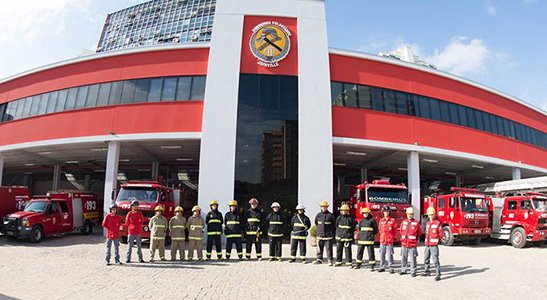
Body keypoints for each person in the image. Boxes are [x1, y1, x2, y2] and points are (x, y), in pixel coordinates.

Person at [399, 207, 422, 277]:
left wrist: (415, 240)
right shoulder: (403, 222)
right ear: (406, 214)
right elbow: (401, 231)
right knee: (403, 258)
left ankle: (413, 271)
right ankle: (403, 270)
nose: (410, 215)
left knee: (413, 259)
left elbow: (419, 233)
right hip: (404, 244)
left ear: (413, 214)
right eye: (408, 214)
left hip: (412, 244)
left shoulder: (416, 223)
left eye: (411, 214)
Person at [314, 200, 336, 266]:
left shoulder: (330, 215)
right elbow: (316, 223)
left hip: (328, 235)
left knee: (329, 249)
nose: (324, 208)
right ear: (320, 207)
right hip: (320, 235)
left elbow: (333, 225)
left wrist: (331, 233)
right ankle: (319, 259)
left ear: (327, 207)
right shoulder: (318, 215)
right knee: (319, 248)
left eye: (325, 207)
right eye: (322, 207)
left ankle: (330, 260)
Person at [424, 207, 442, 281]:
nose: (431, 216)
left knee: (435, 260)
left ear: (434, 214)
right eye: (429, 214)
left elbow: (441, 234)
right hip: (427, 245)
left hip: (434, 245)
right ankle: (427, 271)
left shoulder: (438, 223)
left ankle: (438, 274)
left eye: (432, 214)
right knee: (426, 259)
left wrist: (437, 241)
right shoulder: (427, 223)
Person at [378, 205, 397, 273]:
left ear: (389, 212)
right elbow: (380, 230)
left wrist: (391, 237)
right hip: (382, 240)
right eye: (385, 211)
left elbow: (395, 231)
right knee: (382, 254)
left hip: (389, 241)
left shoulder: (392, 221)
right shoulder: (381, 221)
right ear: (383, 212)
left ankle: (391, 267)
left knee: (390, 255)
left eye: (387, 211)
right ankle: (382, 266)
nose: (386, 213)